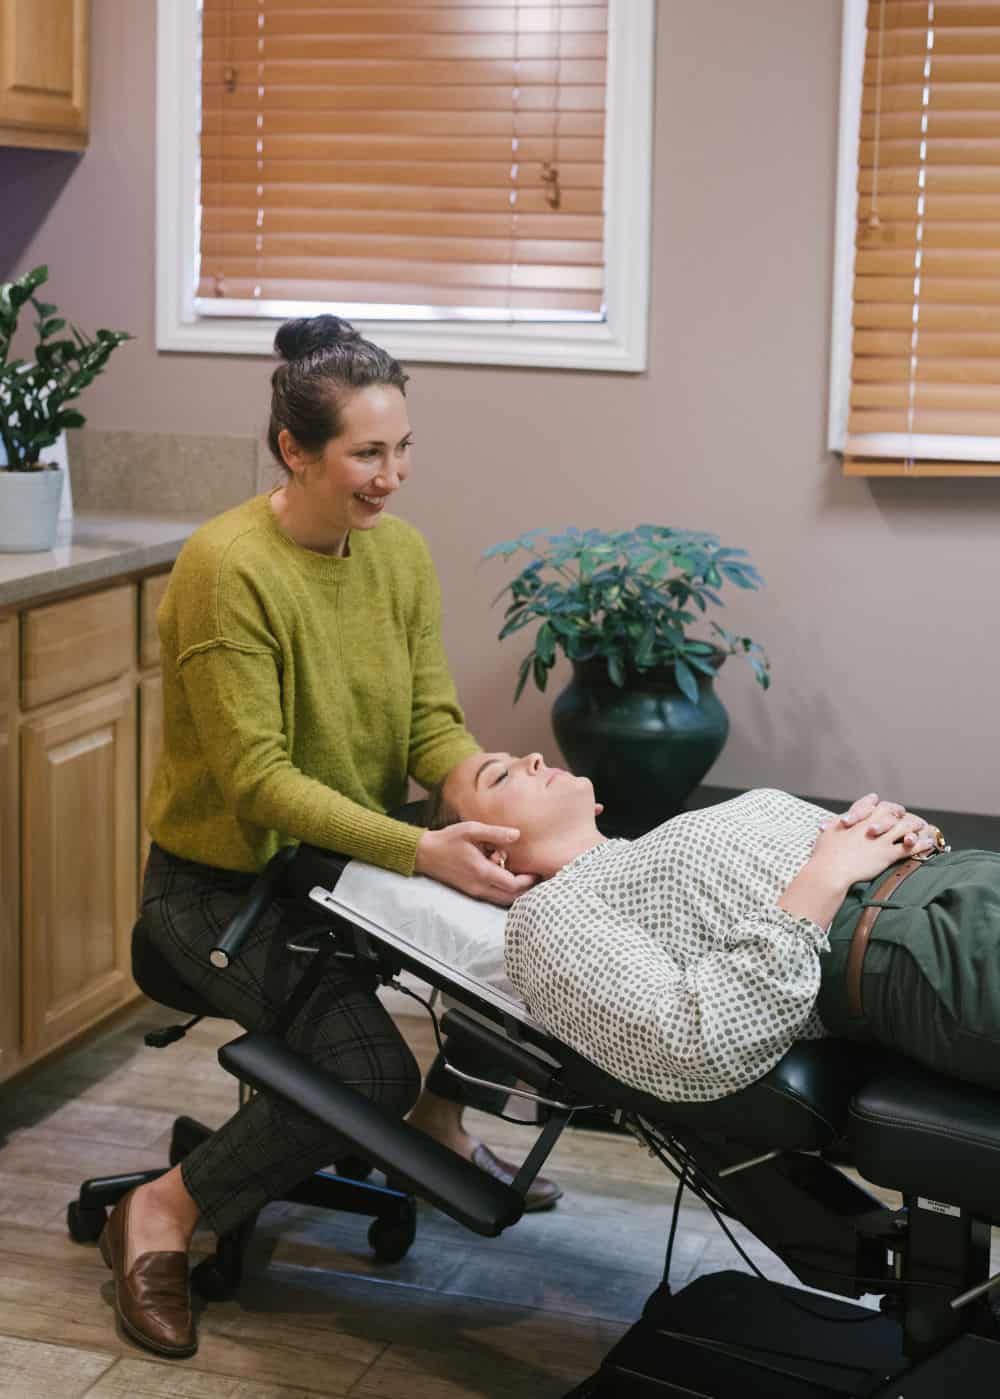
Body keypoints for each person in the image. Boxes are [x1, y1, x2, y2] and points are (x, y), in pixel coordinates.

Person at [101, 318, 557, 1362]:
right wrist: (420, 851)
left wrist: (492, 809)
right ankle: (161, 1211)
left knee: (529, 941)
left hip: (340, 878)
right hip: (218, 894)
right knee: (365, 1078)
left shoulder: (398, 555)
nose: (392, 477)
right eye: (367, 453)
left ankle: (436, 1128)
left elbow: (429, 723)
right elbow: (258, 781)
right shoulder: (228, 567)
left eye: (403, 449)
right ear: (294, 450)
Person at [435, 750, 1000, 1108]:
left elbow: (864, 845)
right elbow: (690, 1046)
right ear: (490, 854)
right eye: (500, 775)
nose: (534, 757)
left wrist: (908, 834)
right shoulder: (550, 915)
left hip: (971, 879)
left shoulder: (663, 840)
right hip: (926, 953)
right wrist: (826, 875)